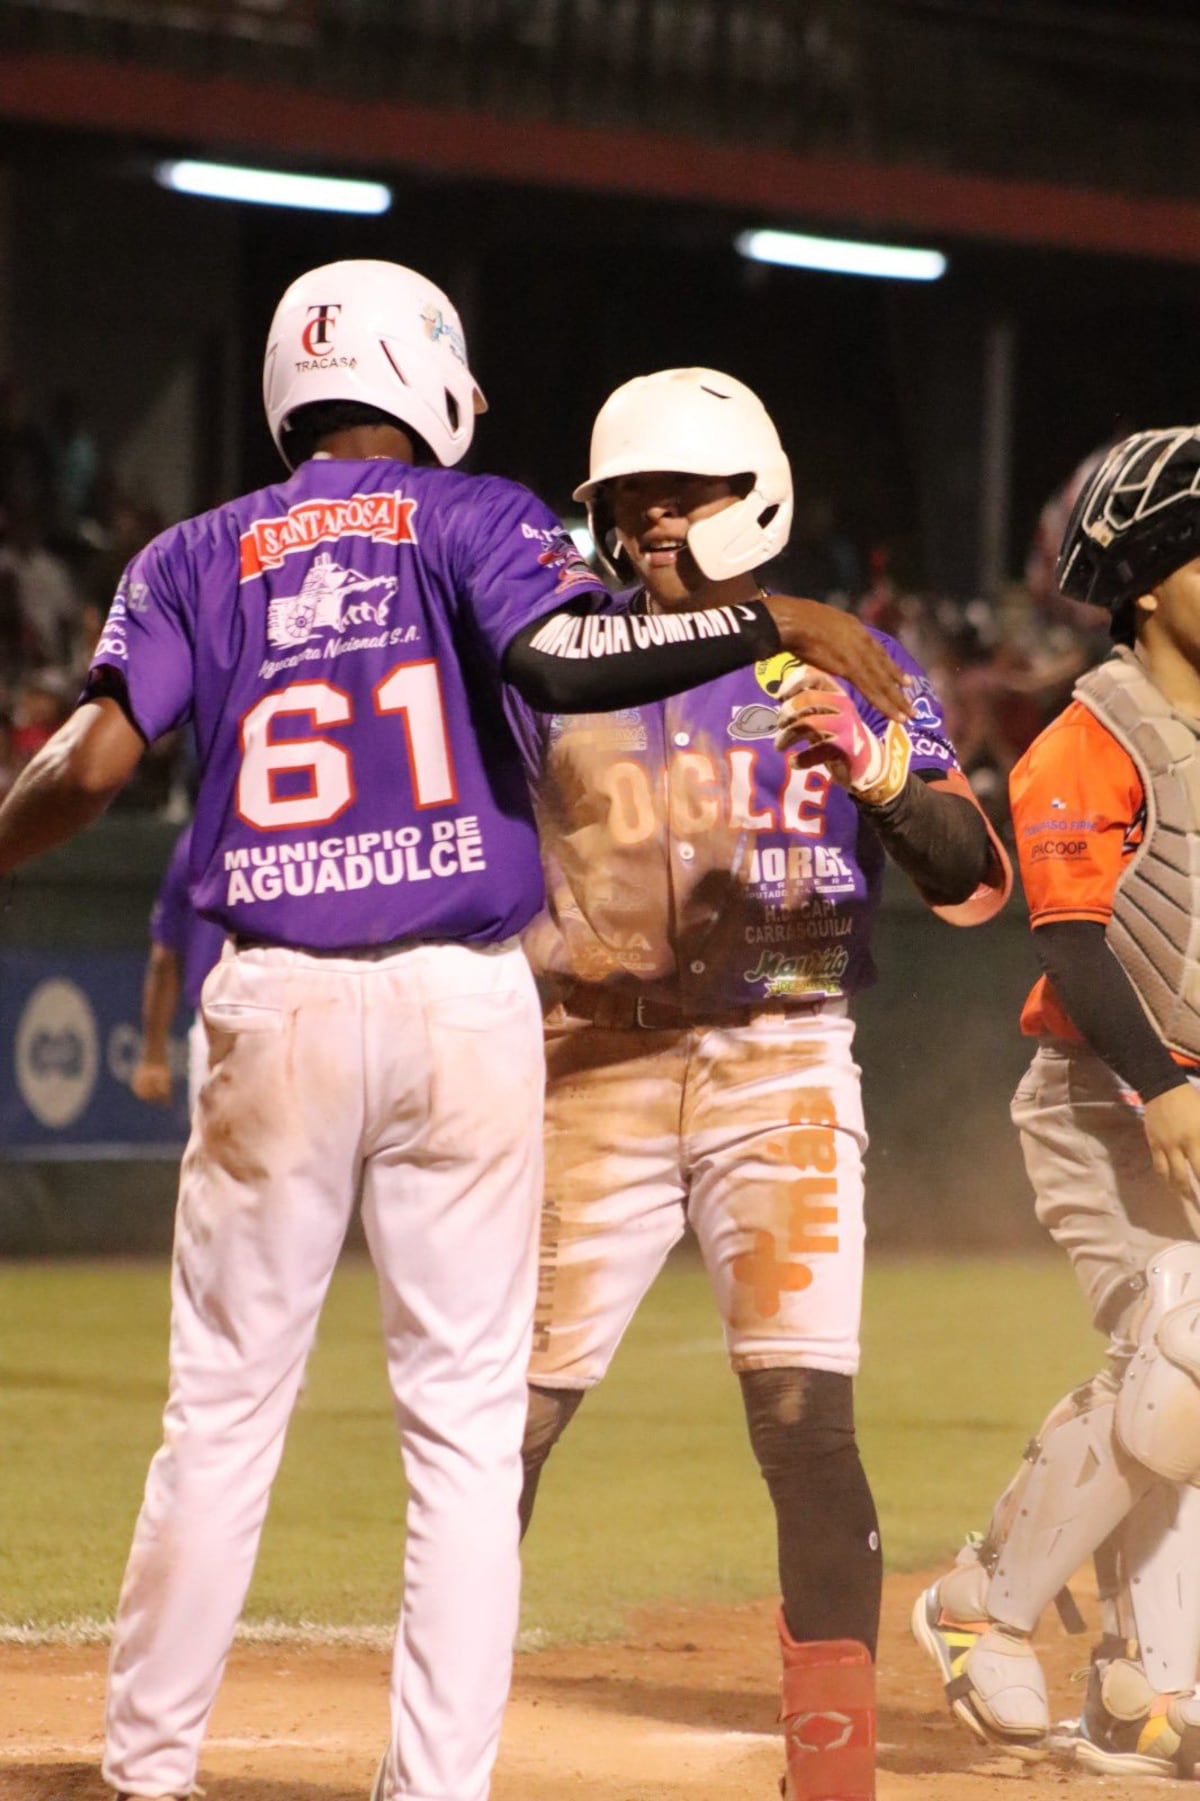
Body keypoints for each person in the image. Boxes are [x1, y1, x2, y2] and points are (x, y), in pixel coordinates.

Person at [0, 263, 908, 1801]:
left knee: (219, 1416)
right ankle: (436, 1789)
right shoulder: (475, 515)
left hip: (273, 992)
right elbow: (566, 659)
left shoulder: (188, 553)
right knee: (468, 1438)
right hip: (463, 1003)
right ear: (424, 375)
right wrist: (780, 617)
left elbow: (90, 765)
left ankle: (145, 1772)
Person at [506, 367, 1012, 1801]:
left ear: (757, 494)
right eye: (630, 499)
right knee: (509, 1422)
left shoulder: (860, 661)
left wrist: (879, 777)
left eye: (688, 492)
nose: (655, 521)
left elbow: (977, 884)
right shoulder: (559, 646)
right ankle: (440, 1746)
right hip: (584, 1055)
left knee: (804, 1424)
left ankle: (833, 1778)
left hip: (781, 1053)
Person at [912, 425, 1200, 1780]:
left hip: (1184, 1106)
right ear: (1148, 582)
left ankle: (1146, 1683)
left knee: (1193, 1396)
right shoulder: (1096, 735)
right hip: (1103, 1102)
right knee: (1186, 1359)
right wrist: (1161, 1089)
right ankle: (983, 1604)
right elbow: (1073, 939)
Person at [131, 821, 226, 1116]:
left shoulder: (197, 840)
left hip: (218, 1032)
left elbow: (163, 958)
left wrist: (153, 1056)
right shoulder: (305, 833)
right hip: (304, 1017)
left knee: (222, 1161)